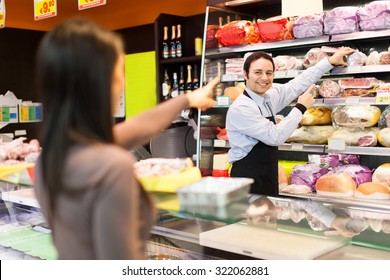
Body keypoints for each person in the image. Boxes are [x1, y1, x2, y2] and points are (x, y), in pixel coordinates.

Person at [33, 17, 219, 260]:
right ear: (99, 82)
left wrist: (187, 100)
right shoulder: (112, 166)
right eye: (119, 72)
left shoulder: (52, 156)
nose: (124, 82)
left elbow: (134, 129)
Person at [226, 48, 355, 196]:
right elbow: (275, 136)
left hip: (267, 176)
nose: (264, 78)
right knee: (249, 219)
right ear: (245, 74)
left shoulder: (267, 98)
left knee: (268, 217)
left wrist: (329, 62)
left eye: (269, 73)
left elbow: (296, 84)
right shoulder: (242, 107)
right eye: (258, 72)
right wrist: (300, 107)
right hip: (247, 181)